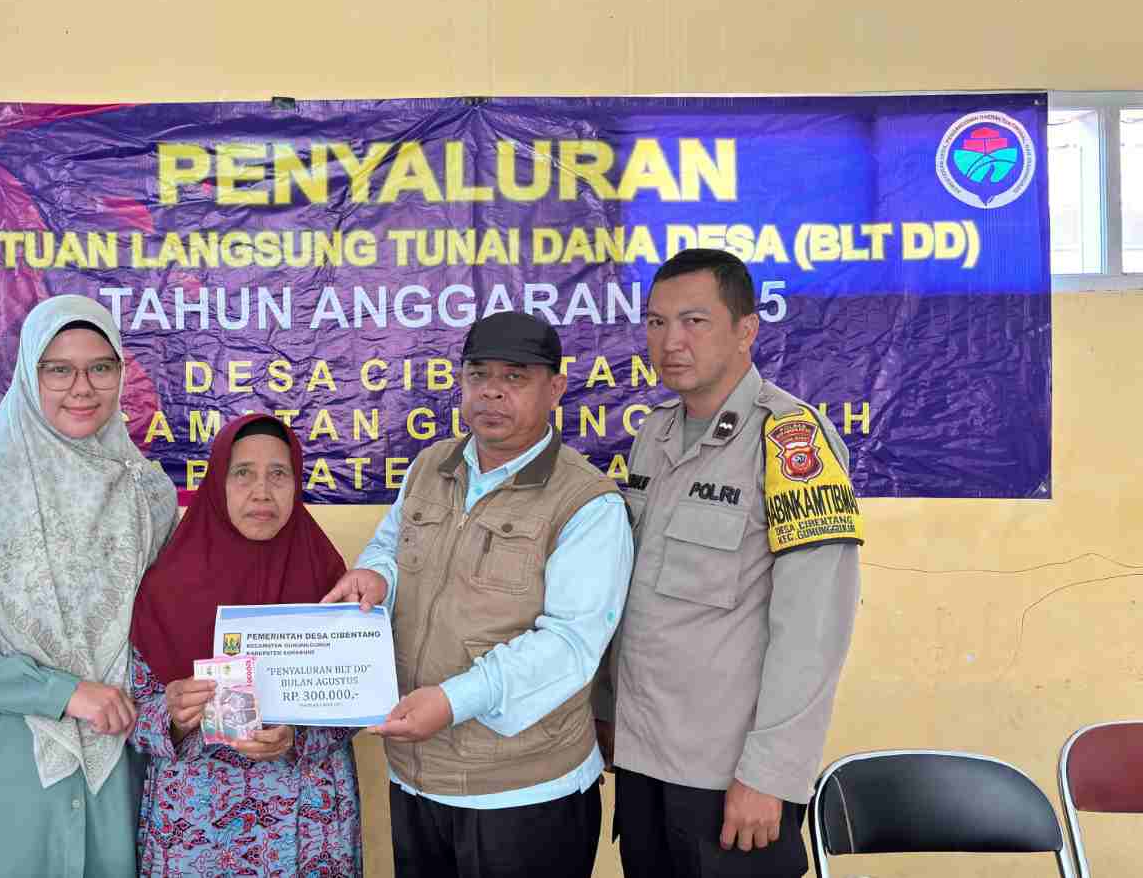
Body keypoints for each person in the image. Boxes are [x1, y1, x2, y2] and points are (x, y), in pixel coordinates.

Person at [322, 311, 634, 878]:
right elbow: (389, 547)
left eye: (514, 377)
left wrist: (453, 701)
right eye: (478, 374)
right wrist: (375, 577)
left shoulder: (587, 503)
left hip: (524, 793)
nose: (491, 391)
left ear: (555, 389)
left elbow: (569, 644)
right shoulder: (431, 466)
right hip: (416, 778)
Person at [592, 248, 862, 878]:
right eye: (657, 322)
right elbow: (631, 597)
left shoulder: (790, 440)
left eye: (694, 321)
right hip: (643, 758)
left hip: (729, 776)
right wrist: (606, 708)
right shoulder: (654, 434)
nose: (671, 341)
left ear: (746, 330)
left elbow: (814, 631)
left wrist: (771, 774)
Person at [0, 295, 177, 878]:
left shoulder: (149, 497)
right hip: (2, 776)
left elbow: (169, 629)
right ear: (29, 375)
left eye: (100, 367)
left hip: (114, 770)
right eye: (58, 369)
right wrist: (63, 692)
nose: (82, 388)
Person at [129, 413, 362, 877]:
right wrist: (172, 715)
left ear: (296, 483)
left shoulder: (328, 580)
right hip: (196, 825)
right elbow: (132, 717)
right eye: (243, 473)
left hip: (308, 825)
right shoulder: (164, 588)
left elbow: (355, 703)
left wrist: (298, 738)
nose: (262, 492)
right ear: (218, 483)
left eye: (278, 474)